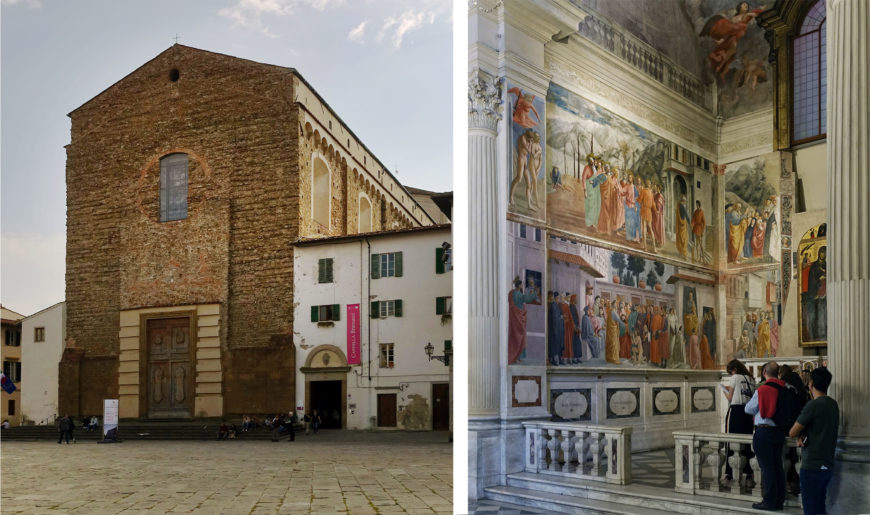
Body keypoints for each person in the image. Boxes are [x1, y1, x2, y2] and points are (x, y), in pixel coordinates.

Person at [788, 367, 838, 515]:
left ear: (811, 384)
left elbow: (792, 432)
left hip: (812, 466)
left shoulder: (813, 405)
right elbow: (820, 428)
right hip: (827, 464)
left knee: (811, 510)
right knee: (820, 508)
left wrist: (799, 434)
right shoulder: (833, 404)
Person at [745, 361, 787, 511]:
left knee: (767, 468)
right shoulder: (785, 388)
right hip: (780, 431)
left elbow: (748, 409)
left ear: (764, 373)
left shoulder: (763, 389)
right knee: (778, 467)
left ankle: (769, 501)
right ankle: (779, 500)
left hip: (764, 431)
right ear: (778, 373)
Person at [721, 360, 756, 488]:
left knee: (732, 442)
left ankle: (730, 476)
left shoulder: (735, 377)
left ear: (734, 369)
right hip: (748, 413)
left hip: (736, 412)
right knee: (747, 443)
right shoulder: (751, 378)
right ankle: (748, 477)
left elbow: (730, 398)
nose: (731, 374)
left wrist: (723, 390)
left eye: (731, 371)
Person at [508, 276, 540, 364]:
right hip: (518, 319)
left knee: (515, 337)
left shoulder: (512, 293)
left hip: (514, 318)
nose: (522, 286)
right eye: (521, 285)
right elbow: (527, 299)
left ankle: (517, 356)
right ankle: (517, 356)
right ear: (519, 286)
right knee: (520, 337)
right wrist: (534, 294)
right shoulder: (518, 294)